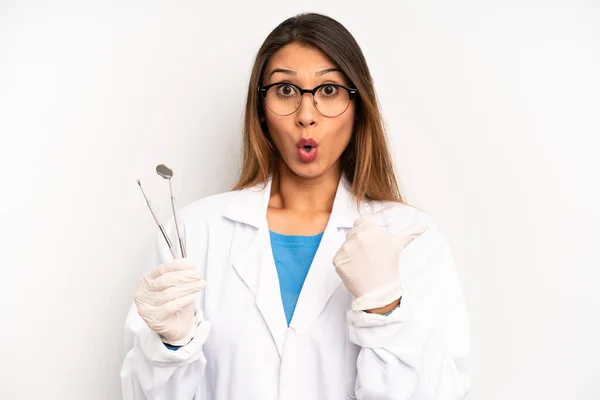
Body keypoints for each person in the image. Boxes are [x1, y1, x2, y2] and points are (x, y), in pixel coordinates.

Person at [120, 12, 471, 400]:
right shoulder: (194, 233)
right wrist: (170, 349)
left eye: (329, 90)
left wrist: (385, 308)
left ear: (358, 107)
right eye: (286, 90)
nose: (307, 115)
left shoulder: (410, 238)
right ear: (261, 108)